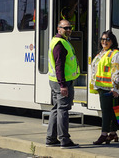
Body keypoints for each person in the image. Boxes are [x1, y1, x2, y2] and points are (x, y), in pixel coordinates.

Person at [46, 20, 80, 148]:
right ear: (58, 28)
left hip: (55, 81)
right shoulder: (60, 44)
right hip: (62, 82)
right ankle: (64, 140)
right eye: (65, 28)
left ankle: (51, 138)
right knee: (63, 110)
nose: (68, 30)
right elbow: (59, 66)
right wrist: (63, 85)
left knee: (56, 109)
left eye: (70, 28)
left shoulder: (60, 41)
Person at [90, 30, 119, 145]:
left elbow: (117, 72)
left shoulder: (115, 54)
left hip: (110, 89)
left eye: (107, 39)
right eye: (102, 39)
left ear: (112, 41)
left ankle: (104, 135)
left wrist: (115, 89)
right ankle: (113, 133)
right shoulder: (102, 53)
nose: (104, 41)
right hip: (102, 87)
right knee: (110, 111)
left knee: (106, 112)